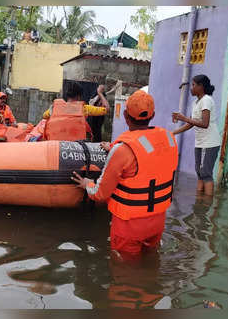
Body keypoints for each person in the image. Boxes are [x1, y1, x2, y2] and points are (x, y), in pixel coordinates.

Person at [72, 90, 178, 257]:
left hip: (129, 225)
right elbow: (147, 151)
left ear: (126, 116)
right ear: (153, 115)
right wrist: (114, 147)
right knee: (151, 261)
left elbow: (100, 193)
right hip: (157, 220)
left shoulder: (122, 151)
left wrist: (86, 184)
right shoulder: (169, 139)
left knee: (124, 274)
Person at [171, 74, 220, 196]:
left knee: (206, 173)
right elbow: (191, 123)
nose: (191, 88)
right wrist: (173, 133)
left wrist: (184, 118)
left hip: (210, 143)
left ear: (201, 86)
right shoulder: (196, 103)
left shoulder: (206, 100)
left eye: (193, 85)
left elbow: (204, 123)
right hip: (200, 142)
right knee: (199, 172)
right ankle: (199, 201)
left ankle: (207, 203)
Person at [42, 82, 108, 141]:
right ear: (79, 96)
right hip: (75, 148)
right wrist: (100, 93)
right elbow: (106, 109)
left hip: (55, 145)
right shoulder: (84, 109)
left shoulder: (54, 108)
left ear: (67, 95)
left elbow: (44, 116)